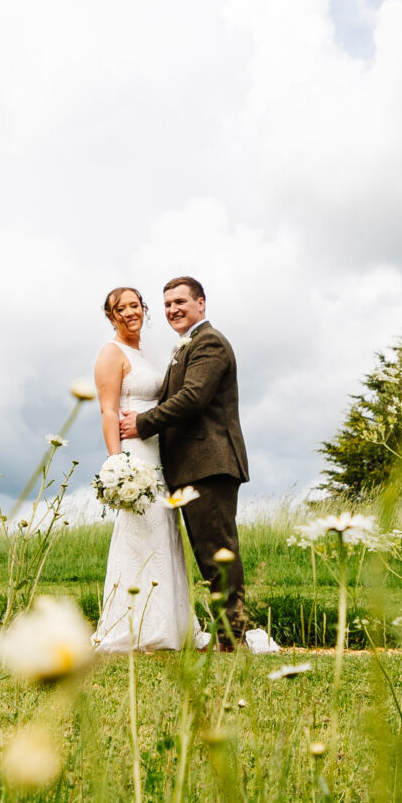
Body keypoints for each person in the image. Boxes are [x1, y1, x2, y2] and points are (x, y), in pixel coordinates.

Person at [120, 276, 267, 651]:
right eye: (167, 304)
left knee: (218, 551)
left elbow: (192, 397)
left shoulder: (210, 342)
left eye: (181, 301)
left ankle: (231, 640)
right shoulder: (187, 345)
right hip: (192, 465)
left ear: (201, 303)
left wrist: (141, 423)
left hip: (210, 462)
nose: (173, 309)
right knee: (208, 555)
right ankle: (226, 637)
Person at [90, 286, 191, 652]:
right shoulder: (110, 354)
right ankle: (132, 625)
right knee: (139, 532)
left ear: (143, 310)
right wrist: (117, 461)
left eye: (135, 305)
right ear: (111, 315)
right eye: (122, 308)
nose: (130, 312)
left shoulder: (146, 353)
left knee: (163, 531)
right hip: (135, 452)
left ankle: (167, 625)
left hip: (159, 452)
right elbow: (108, 410)